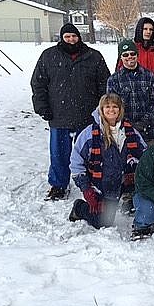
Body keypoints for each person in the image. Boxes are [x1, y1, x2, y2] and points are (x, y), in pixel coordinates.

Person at [31, 23, 111, 201]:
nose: (71, 40)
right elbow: (38, 83)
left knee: (90, 153)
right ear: (62, 38)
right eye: (67, 37)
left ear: (79, 37)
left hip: (87, 115)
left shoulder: (93, 56)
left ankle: (90, 183)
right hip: (59, 115)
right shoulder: (49, 56)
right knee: (59, 154)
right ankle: (58, 185)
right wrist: (42, 107)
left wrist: (103, 109)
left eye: (74, 36)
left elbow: (104, 83)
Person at [68, 93, 146, 228]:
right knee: (103, 223)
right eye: (107, 106)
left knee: (147, 203)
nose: (111, 110)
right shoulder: (89, 134)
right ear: (101, 110)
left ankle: (134, 203)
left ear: (120, 109)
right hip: (102, 185)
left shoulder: (130, 132)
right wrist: (87, 189)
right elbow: (76, 163)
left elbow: (144, 156)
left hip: (126, 181)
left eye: (115, 106)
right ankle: (79, 207)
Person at [107, 39, 154, 142]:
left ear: (137, 55)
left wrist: (145, 121)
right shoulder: (113, 80)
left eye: (132, 53)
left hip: (148, 131)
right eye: (125, 55)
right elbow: (112, 106)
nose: (129, 57)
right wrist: (128, 124)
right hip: (123, 133)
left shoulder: (149, 76)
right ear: (121, 58)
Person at [116, 17, 154, 102]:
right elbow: (119, 76)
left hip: (153, 101)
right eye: (145, 29)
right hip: (130, 101)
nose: (148, 32)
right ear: (139, 30)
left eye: (151, 29)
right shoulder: (129, 52)